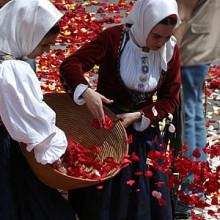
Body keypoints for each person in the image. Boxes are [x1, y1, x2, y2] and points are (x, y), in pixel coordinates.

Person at [60, 0, 181, 219]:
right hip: (107, 126)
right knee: (105, 200)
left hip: (142, 127)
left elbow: (170, 99)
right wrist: (86, 92)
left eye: (166, 37)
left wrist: (140, 115)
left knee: (144, 198)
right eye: (156, 36)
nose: (161, 43)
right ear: (144, 25)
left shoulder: (170, 49)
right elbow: (71, 65)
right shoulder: (115, 39)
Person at [0, 0, 75, 219]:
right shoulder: (12, 69)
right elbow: (33, 124)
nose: (47, 52)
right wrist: (54, 153)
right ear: (26, 32)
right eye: (44, 45)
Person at [173, 0, 220, 217]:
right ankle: (196, 189)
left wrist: (172, 43)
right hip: (204, 38)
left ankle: (189, 192)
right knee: (195, 114)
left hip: (190, 41)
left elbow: (184, 10)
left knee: (189, 116)